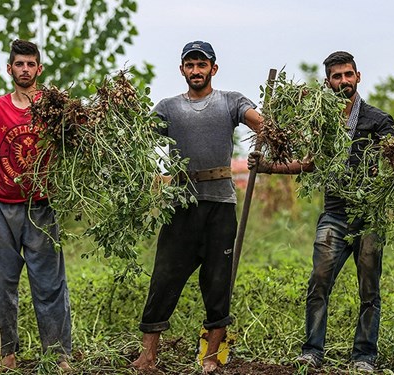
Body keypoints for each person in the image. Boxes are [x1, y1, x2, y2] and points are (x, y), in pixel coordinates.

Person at [249, 51, 394, 372]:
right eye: (336, 76)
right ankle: (312, 350)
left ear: (358, 76)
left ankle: (364, 355)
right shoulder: (322, 122)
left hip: (370, 217)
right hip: (334, 215)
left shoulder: (378, 120)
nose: (343, 81)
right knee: (318, 283)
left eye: (348, 74)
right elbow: (309, 163)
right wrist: (268, 167)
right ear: (327, 82)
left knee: (369, 288)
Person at [131, 40, 263, 374]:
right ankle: (148, 357)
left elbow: (259, 123)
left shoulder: (230, 102)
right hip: (181, 205)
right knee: (163, 278)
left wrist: (265, 136)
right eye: (190, 65)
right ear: (182, 70)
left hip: (220, 205)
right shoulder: (168, 108)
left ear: (213, 69)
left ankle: (210, 359)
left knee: (217, 281)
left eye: (201, 65)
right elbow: (137, 137)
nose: (196, 71)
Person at [0, 39, 72, 372]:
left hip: (41, 205)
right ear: (9, 69)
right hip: (2, 205)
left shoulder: (52, 107)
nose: (24, 70)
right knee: (2, 283)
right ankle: (5, 354)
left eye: (30, 64)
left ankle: (58, 356)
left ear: (39, 68)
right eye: (19, 64)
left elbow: (75, 140)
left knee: (49, 284)